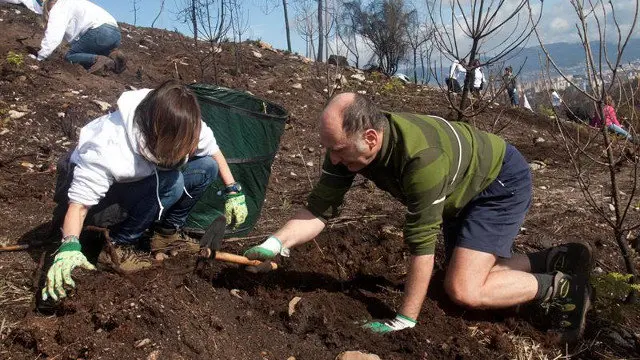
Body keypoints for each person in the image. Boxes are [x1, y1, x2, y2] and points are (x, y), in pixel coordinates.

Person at [243, 93, 593, 344]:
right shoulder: (347, 150)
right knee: (454, 280)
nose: (332, 159)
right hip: (460, 184)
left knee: (463, 290)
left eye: (338, 150)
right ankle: (549, 259)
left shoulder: (420, 160)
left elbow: (421, 242)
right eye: (329, 149)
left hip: (497, 181)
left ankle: (564, 289)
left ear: (370, 137)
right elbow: (318, 210)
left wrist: (405, 320)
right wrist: (276, 242)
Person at [42, 80, 249, 302]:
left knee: (206, 167)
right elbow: (79, 206)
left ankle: (164, 235)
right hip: (100, 203)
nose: (192, 149)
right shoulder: (109, 147)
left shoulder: (182, 123)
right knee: (172, 181)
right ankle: (118, 247)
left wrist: (233, 190)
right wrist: (69, 245)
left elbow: (214, 151)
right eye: (184, 146)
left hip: (143, 181)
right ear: (161, 136)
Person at [30, 0, 126, 74]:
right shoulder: (74, 3)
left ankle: (102, 60)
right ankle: (114, 59)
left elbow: (54, 34)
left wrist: (40, 57)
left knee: (70, 56)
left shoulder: (59, 7)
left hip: (100, 32)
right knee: (84, 59)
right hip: (115, 34)